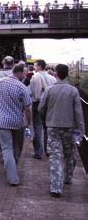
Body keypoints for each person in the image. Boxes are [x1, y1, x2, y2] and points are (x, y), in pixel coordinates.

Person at [38, 64, 84, 198]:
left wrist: (45, 120)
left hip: (52, 126)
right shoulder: (73, 91)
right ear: (67, 74)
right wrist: (80, 129)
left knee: (55, 156)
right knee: (70, 154)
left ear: (56, 74)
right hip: (69, 127)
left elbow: (41, 108)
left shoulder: (49, 90)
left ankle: (56, 187)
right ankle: (68, 177)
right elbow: (78, 112)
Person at [0, 63, 32, 186]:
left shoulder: (0, 82)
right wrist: (28, 123)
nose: (24, 75)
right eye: (24, 73)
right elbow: (27, 108)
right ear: (19, 72)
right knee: (16, 147)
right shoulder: (22, 87)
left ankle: (11, 173)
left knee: (6, 148)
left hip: (3, 120)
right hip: (17, 121)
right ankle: (13, 174)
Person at [30, 59, 57, 159]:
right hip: (50, 104)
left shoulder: (36, 76)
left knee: (37, 127)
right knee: (47, 128)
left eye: (35, 65)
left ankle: (38, 152)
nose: (34, 67)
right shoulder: (52, 78)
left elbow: (36, 94)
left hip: (38, 103)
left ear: (39, 66)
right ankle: (48, 149)